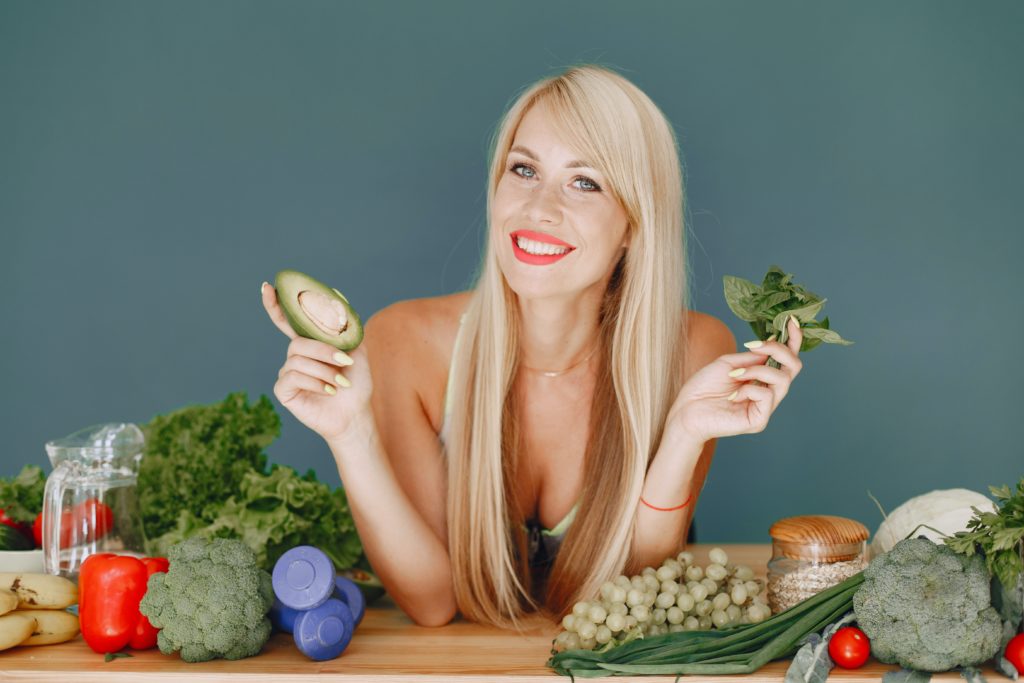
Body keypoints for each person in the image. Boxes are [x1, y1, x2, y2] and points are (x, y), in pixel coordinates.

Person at [261, 64, 803, 630]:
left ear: (633, 227)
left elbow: (629, 598)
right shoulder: (405, 342)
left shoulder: (693, 350)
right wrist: (351, 437)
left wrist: (685, 436)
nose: (540, 207)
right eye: (524, 170)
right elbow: (432, 601)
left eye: (585, 181)